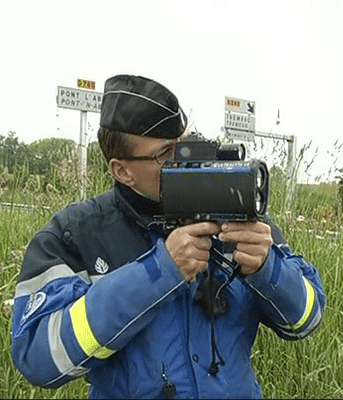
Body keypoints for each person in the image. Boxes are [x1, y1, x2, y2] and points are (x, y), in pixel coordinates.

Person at [11, 74, 325, 399]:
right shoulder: (76, 233)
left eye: (185, 144)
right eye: (165, 154)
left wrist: (267, 268)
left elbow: (307, 319)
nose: (183, 159)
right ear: (122, 171)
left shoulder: (235, 208)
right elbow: (38, 358)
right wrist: (158, 272)